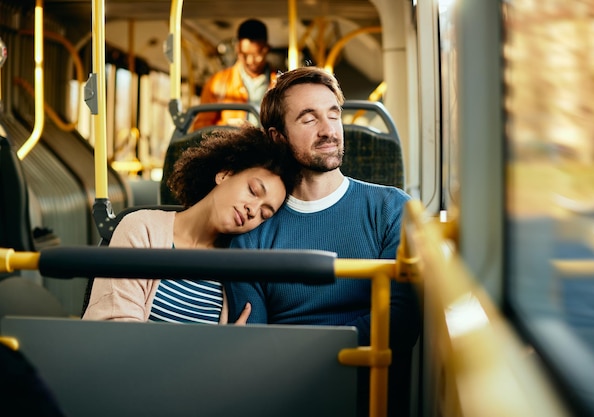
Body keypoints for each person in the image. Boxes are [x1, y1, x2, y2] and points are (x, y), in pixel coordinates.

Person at [224, 67, 420, 416]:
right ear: (279, 137)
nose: (329, 130)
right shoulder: (253, 226)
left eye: (333, 114)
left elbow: (400, 321)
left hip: (370, 397)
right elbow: (250, 341)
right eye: (308, 118)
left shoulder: (393, 209)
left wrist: (294, 351)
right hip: (283, 399)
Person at [83, 125, 300, 323]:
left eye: (264, 213)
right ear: (225, 174)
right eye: (253, 191)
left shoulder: (235, 274)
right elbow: (115, 327)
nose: (253, 211)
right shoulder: (141, 229)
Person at [191, 19, 277, 130]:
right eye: (244, 55)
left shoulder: (279, 83)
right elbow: (201, 127)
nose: (250, 61)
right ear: (237, 49)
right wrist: (226, 129)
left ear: (266, 49)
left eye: (256, 55)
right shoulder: (218, 83)